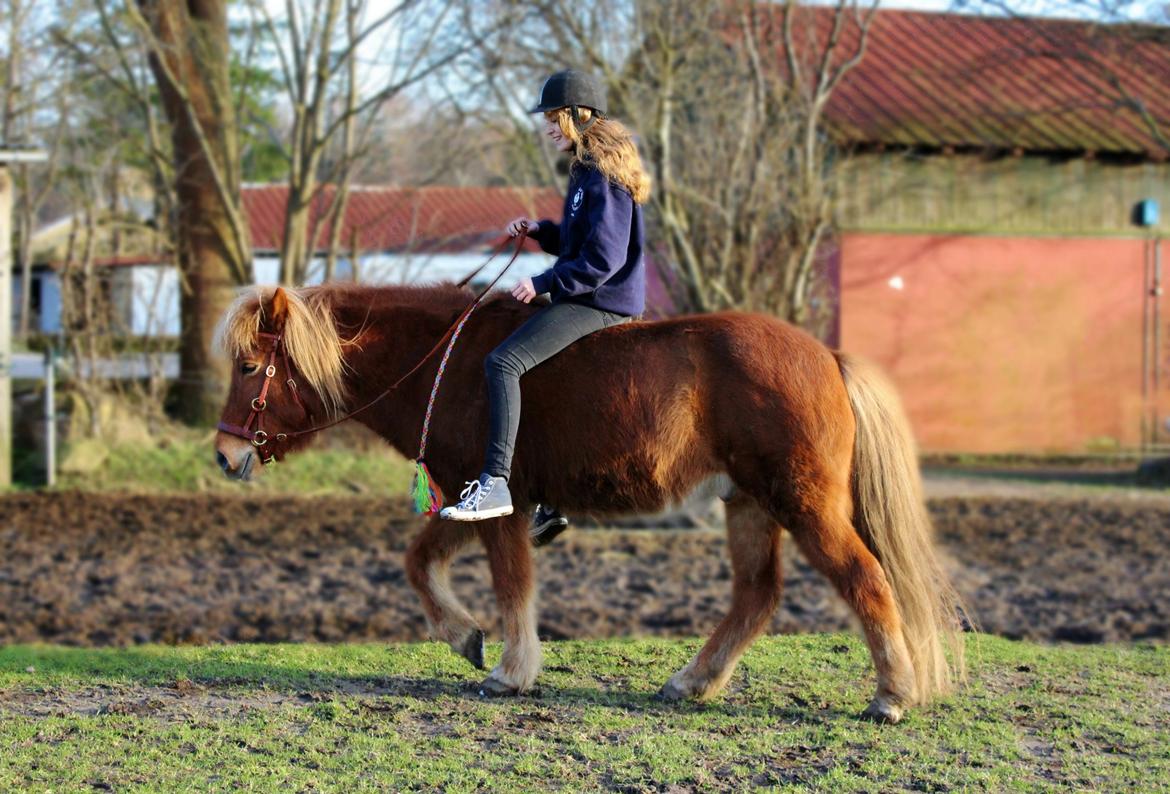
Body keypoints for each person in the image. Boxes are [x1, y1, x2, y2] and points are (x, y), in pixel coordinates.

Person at [439, 69, 651, 538]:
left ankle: (495, 482)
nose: (548, 127)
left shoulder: (601, 175)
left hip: (600, 302)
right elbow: (582, 242)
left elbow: (602, 259)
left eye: (554, 117)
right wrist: (540, 231)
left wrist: (543, 283)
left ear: (579, 116)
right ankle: (552, 500)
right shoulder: (586, 171)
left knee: (503, 363)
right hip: (591, 295)